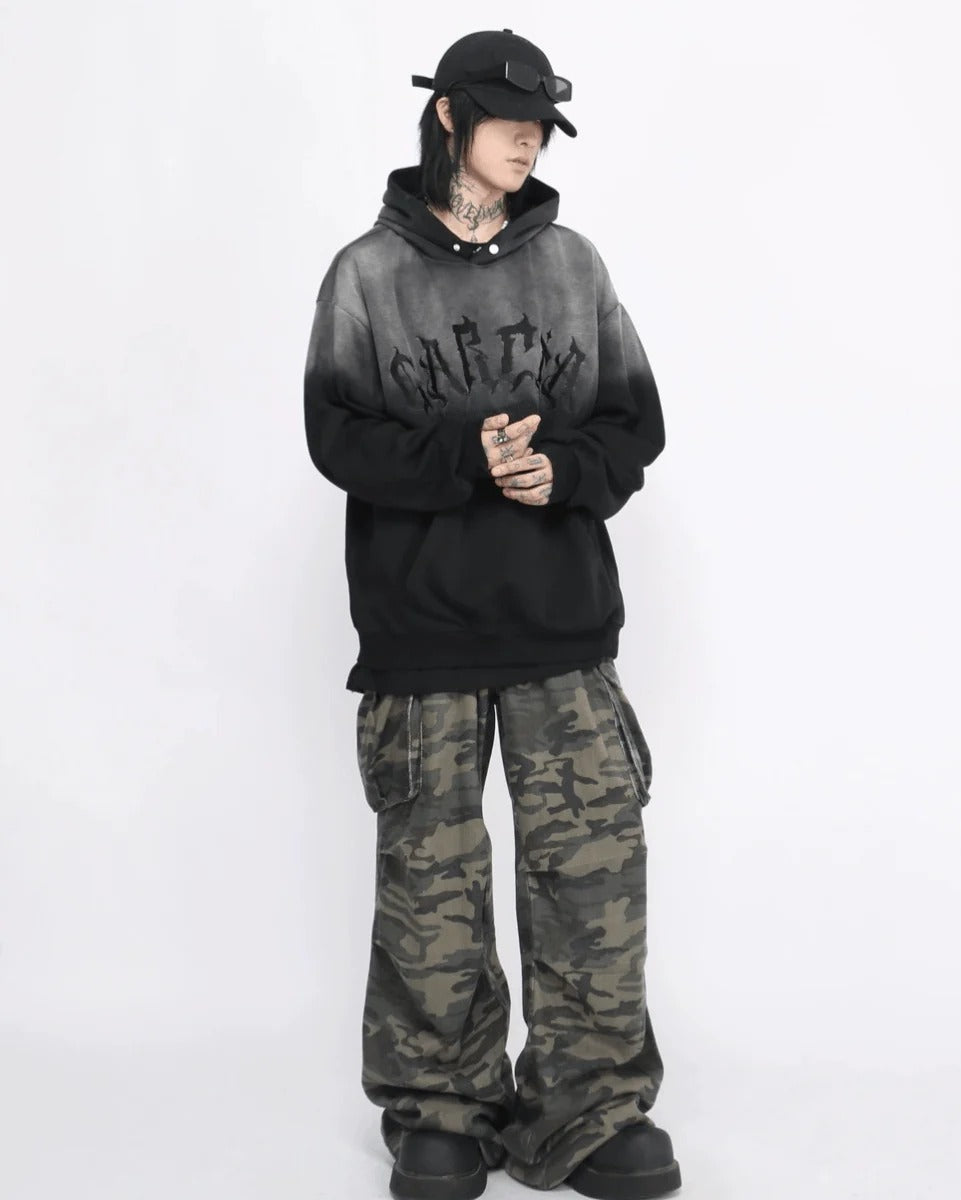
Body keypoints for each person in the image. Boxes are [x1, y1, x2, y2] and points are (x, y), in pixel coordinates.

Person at [303, 27, 681, 1200]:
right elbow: (337, 437)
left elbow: (634, 423)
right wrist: (468, 457)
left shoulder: (572, 266)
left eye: (541, 129)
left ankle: (591, 1106)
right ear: (448, 119)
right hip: (421, 629)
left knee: (591, 873)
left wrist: (560, 471)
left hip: (561, 622)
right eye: (509, 123)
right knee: (432, 883)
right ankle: (441, 1110)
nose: (529, 144)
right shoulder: (366, 275)